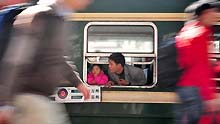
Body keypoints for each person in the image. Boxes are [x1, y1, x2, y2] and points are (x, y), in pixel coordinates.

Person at [0, 0, 92, 124]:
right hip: (29, 98)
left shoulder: (57, 18)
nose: (87, 2)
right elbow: (17, 59)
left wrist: (78, 83)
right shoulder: (42, 16)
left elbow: (57, 57)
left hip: (40, 98)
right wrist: (6, 103)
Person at [174, 1, 220, 124]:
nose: (216, 15)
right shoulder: (201, 34)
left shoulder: (186, 31)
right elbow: (200, 68)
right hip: (196, 90)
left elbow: (186, 62)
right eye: (213, 12)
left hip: (184, 88)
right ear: (205, 14)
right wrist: (210, 97)